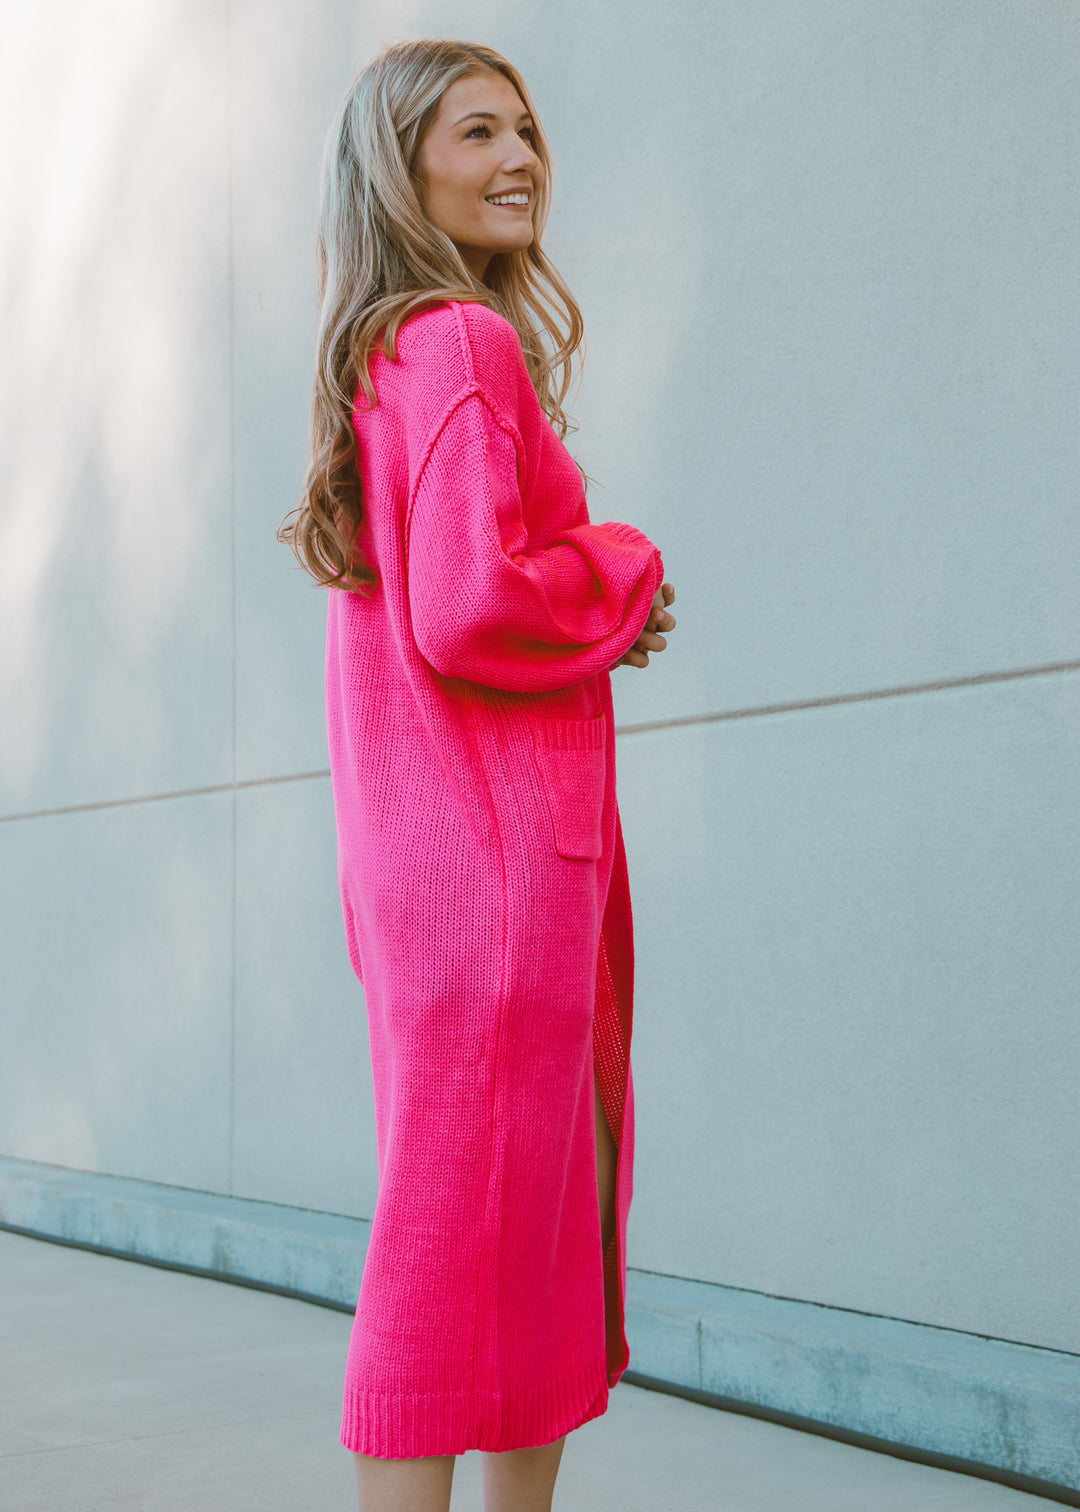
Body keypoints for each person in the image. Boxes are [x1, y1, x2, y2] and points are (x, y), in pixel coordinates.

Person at [278, 37, 676, 1512]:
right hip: (499, 877)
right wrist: (617, 568)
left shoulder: (387, 355)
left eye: (528, 129)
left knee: (505, 1249)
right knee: (467, 1258)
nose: (521, 158)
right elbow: (470, 606)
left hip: (438, 876)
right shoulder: (458, 343)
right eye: (477, 133)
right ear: (405, 165)